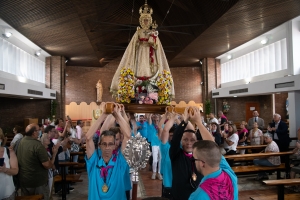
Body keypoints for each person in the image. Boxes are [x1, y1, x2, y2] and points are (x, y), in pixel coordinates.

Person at [110, 1, 175, 98]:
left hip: (150, 54)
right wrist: (138, 43)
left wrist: (152, 41)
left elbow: (157, 45)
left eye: (147, 20)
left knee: (151, 67)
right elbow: (133, 44)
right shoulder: (138, 32)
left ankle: (151, 86)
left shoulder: (153, 32)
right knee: (138, 66)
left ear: (150, 21)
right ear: (141, 21)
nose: (145, 22)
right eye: (144, 20)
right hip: (140, 52)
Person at [85, 102, 131, 200]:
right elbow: (88, 138)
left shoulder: (120, 161)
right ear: (99, 145)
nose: (107, 147)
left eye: (110, 144)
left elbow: (127, 135)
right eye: (104, 144)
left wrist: (117, 114)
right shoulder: (94, 161)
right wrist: (104, 114)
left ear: (115, 145)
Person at [169, 107, 203, 200]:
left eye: (192, 140)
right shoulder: (176, 155)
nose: (189, 143)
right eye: (185, 140)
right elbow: (176, 137)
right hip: (180, 195)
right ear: (181, 141)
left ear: (196, 142)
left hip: (197, 195)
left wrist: (199, 123)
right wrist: (185, 121)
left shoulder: (200, 157)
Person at [17, 123, 58, 199]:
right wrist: (54, 154)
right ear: (34, 132)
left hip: (24, 180)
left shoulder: (20, 142)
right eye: (38, 130)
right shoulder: (37, 145)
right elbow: (47, 165)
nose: (39, 131)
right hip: (37, 182)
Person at [159, 111, 175, 199]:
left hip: (179, 184)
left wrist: (182, 121)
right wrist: (170, 117)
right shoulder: (166, 147)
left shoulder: (180, 146)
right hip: (168, 184)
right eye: (171, 135)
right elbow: (163, 130)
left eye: (174, 135)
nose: (172, 137)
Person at [0, 131, 18, 200]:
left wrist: (5, 170)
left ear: (1, 139)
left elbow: (15, 171)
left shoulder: (9, 152)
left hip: (7, 192)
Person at [148, 114, 163, 180]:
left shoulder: (162, 125)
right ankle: (154, 172)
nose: (156, 121)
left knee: (160, 159)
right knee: (154, 160)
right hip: (154, 144)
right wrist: (150, 114)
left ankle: (159, 173)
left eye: (157, 120)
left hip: (160, 144)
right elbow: (149, 120)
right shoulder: (151, 126)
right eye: (155, 120)